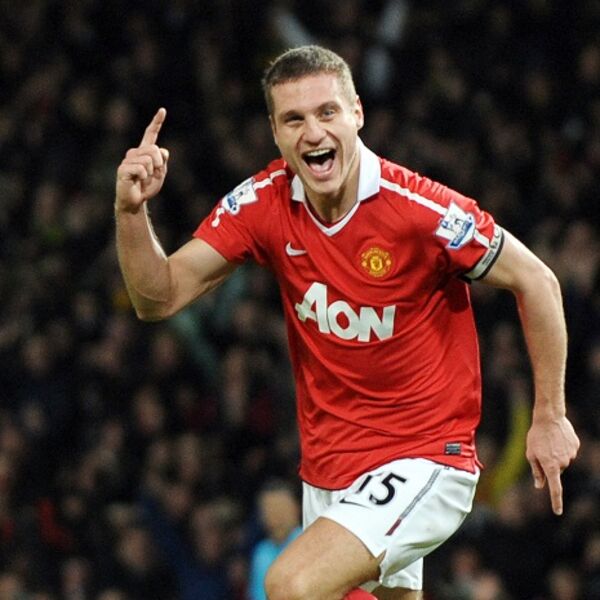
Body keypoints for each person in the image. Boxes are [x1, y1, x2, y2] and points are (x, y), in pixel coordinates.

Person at [114, 45, 580, 600]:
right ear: (275, 132)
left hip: (426, 457)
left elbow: (538, 281)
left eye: (327, 112)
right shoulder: (263, 202)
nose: (313, 132)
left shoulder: (419, 210)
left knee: (290, 584)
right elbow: (158, 297)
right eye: (294, 119)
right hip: (329, 472)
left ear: (357, 113)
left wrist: (550, 415)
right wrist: (131, 212)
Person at [248, 479, 303, 600]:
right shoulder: (261, 553)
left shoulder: (308, 544)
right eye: (269, 509)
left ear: (296, 508)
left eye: (281, 508)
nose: (276, 516)